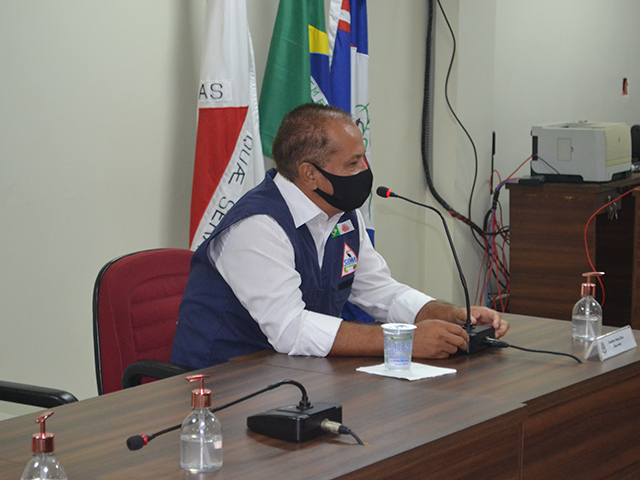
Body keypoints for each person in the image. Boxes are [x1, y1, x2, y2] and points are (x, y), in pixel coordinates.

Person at [171, 103, 509, 370]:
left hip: (295, 375)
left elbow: (381, 292)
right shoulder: (258, 225)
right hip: (224, 384)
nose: (365, 171)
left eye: (363, 159)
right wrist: (403, 340)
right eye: (353, 163)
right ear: (310, 174)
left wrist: (447, 314)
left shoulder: (341, 214)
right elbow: (291, 329)